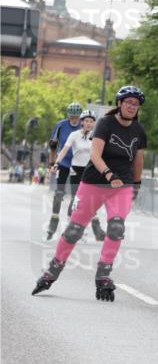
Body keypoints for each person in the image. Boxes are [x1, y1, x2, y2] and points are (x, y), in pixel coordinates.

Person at [32, 86, 147, 302]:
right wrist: (109, 174)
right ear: (120, 104)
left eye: (136, 104)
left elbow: (139, 159)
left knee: (116, 227)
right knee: (75, 230)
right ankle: (52, 271)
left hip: (122, 186)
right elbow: (95, 154)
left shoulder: (138, 131)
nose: (132, 106)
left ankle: (103, 276)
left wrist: (137, 184)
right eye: (128, 102)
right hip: (94, 182)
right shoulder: (105, 123)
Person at [52, 109, 106, 241]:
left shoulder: (96, 137)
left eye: (91, 121)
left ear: (94, 124)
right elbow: (64, 150)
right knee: (77, 199)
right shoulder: (74, 135)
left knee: (89, 200)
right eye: (86, 121)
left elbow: (102, 154)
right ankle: (71, 226)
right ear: (82, 122)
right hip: (76, 169)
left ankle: (83, 228)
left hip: (90, 170)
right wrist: (56, 163)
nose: (88, 123)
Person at [45, 102, 83, 239]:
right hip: (63, 163)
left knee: (75, 196)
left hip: (78, 165)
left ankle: (70, 224)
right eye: (72, 116)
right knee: (59, 193)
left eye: (76, 117)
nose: (74, 119)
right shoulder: (60, 126)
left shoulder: (84, 126)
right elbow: (53, 146)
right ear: (68, 115)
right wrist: (51, 163)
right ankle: (53, 222)